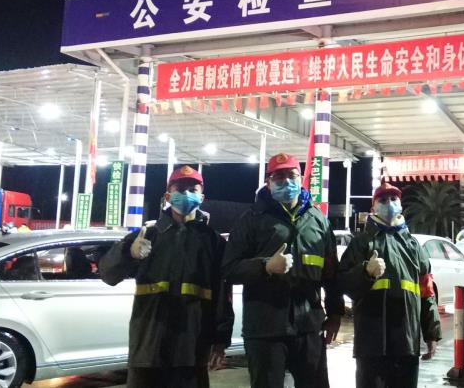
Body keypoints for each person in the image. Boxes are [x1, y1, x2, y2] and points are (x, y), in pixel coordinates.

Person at [100, 166, 232, 388]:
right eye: (180, 188)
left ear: (202, 197)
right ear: (168, 196)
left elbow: (222, 295)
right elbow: (107, 274)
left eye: (193, 189)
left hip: (191, 350)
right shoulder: (147, 235)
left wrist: (220, 340)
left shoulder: (213, 242)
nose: (186, 193)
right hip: (148, 349)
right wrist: (128, 253)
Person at [222, 153, 343, 388]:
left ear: (301, 179)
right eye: (279, 177)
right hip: (265, 330)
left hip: (309, 327)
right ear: (268, 182)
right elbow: (229, 269)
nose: (286, 181)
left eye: (291, 175)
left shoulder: (318, 220)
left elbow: (331, 273)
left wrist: (335, 313)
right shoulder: (251, 219)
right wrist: (264, 266)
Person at [338, 182, 442, 388]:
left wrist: (431, 333)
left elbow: (426, 293)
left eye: (393, 199)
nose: (389, 203)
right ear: (373, 207)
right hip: (371, 345)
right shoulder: (360, 243)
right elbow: (342, 283)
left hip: (407, 344)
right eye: (383, 200)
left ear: (401, 205)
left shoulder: (414, 246)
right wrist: (365, 272)